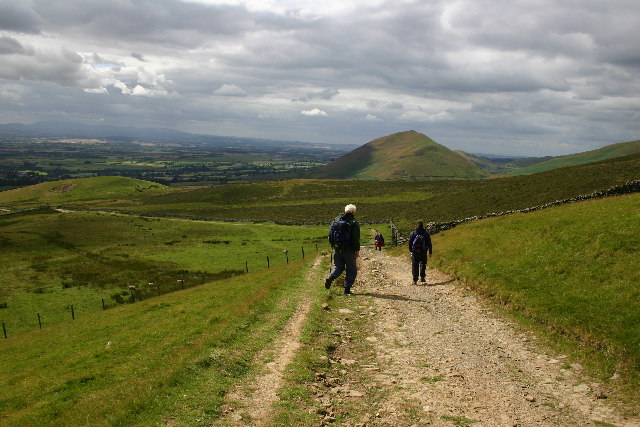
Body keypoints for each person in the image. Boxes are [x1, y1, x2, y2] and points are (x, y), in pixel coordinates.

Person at [325, 204, 361, 295]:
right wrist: (356, 250)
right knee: (351, 270)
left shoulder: (336, 220)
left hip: (337, 249)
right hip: (348, 251)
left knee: (339, 267)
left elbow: (330, 236)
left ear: (345, 210)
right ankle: (347, 289)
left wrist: (334, 246)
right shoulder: (353, 222)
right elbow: (355, 239)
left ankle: (331, 277)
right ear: (353, 212)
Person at [408, 221, 432, 285]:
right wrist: (430, 252)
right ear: (422, 226)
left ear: (417, 226)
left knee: (415, 265)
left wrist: (411, 250)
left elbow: (410, 242)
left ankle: (415, 280)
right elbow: (429, 243)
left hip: (415, 252)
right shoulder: (426, 233)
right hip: (423, 252)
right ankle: (422, 277)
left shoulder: (413, 233)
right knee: (423, 264)